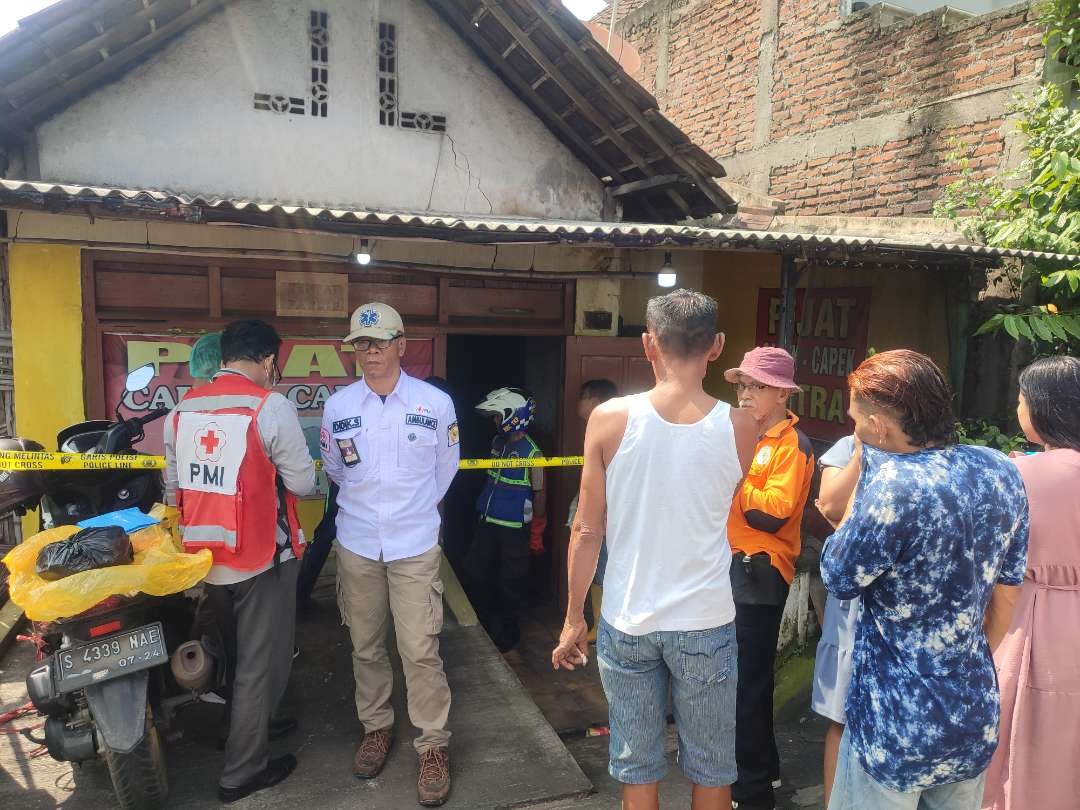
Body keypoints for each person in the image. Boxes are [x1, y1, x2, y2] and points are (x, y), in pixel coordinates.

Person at [553, 289, 757, 810]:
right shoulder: (741, 426)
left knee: (638, 770)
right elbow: (720, 505)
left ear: (648, 344)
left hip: (627, 618)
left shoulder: (609, 419)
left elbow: (586, 530)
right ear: (717, 347)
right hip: (705, 621)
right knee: (713, 771)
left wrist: (575, 617)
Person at [820, 349, 1029, 810]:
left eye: (857, 420)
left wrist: (868, 475)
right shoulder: (999, 470)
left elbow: (838, 573)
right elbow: (1008, 594)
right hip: (971, 707)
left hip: (893, 724)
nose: (854, 429)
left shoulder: (894, 488)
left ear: (879, 427)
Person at [165, 319, 316, 804]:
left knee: (230, 653)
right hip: (259, 557)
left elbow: (174, 489)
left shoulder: (183, 409)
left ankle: (246, 729)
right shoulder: (269, 406)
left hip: (206, 556)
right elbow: (303, 484)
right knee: (258, 662)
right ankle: (242, 771)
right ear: (269, 361)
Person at [321, 302, 459, 807]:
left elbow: (446, 468)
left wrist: (410, 510)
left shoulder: (433, 405)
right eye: (361, 344)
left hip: (414, 544)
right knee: (365, 645)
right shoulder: (339, 408)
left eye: (379, 343)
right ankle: (376, 728)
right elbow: (336, 470)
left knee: (421, 648)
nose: (370, 353)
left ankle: (432, 744)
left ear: (402, 345)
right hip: (357, 541)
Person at [982, 355, 1080, 810]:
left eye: (1021, 399)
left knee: (1013, 743)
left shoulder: (1015, 474)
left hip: (1026, 615)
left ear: (1040, 407)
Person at [724, 346, 814, 810]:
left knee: (745, 682)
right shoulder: (751, 438)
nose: (744, 395)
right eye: (741, 385)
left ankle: (751, 789)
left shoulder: (790, 445)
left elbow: (769, 514)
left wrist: (734, 476)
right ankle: (766, 774)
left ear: (780, 393)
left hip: (758, 571)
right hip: (739, 568)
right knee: (748, 680)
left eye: (754, 386)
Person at [464, 387, 546, 652]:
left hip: (514, 527)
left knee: (512, 580)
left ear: (515, 416)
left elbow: (540, 492)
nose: (496, 423)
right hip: (487, 520)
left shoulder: (533, 454)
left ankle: (509, 632)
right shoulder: (497, 444)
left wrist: (537, 531)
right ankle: (484, 624)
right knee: (477, 571)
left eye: (499, 417)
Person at [810, 434, 861, 807]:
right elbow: (830, 507)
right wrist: (864, 448)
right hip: (854, 604)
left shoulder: (931, 447)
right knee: (841, 717)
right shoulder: (847, 447)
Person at [565, 379, 618, 642]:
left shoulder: (610, 429)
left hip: (607, 515)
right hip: (600, 511)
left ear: (595, 402)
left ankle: (605, 627)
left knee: (605, 569)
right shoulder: (599, 426)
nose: (578, 404)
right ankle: (599, 625)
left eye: (581, 398)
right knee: (599, 571)